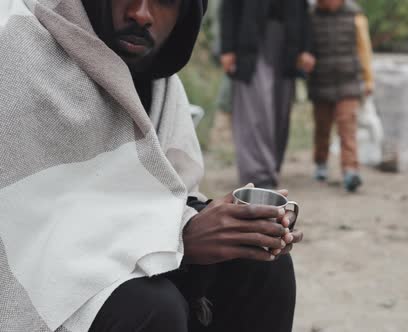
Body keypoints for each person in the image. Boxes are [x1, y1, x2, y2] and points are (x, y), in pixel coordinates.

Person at [0, 1, 303, 331]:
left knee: (259, 265)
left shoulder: (156, 77)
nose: (141, 14)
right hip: (32, 270)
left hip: (119, 241)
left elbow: (164, 188)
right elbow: (26, 222)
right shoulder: (19, 45)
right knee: (150, 308)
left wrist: (236, 226)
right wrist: (178, 237)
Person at [220, 0, 315, 189]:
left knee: (280, 111)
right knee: (256, 108)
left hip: (287, 43)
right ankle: (257, 174)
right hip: (250, 42)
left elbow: (303, 10)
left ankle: (271, 168)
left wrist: (307, 48)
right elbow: (229, 7)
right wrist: (227, 47)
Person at [308, 0, 374, 192]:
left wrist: (368, 79)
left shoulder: (355, 15)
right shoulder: (311, 16)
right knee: (322, 127)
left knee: (347, 126)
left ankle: (350, 170)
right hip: (321, 80)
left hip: (349, 81)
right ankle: (321, 162)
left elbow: (364, 50)